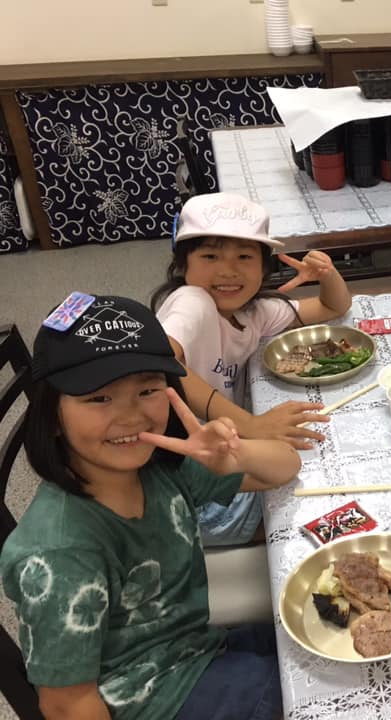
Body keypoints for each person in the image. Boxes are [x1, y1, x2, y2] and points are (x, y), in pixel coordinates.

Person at [0, 294, 301, 719]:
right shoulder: (59, 550)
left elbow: (285, 467)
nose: (131, 416)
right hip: (151, 702)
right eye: (99, 398)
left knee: (319, 635)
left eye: (147, 390)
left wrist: (234, 456)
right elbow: (66, 705)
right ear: (51, 416)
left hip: (196, 650)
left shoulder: (157, 467)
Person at [151, 191, 352, 546]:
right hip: (189, 484)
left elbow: (332, 307)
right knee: (307, 497)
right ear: (183, 265)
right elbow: (161, 361)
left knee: (316, 463)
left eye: (244, 257)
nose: (228, 270)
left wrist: (327, 274)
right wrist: (252, 425)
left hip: (222, 450)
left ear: (263, 267)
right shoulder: (191, 301)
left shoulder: (253, 312)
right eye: (210, 256)